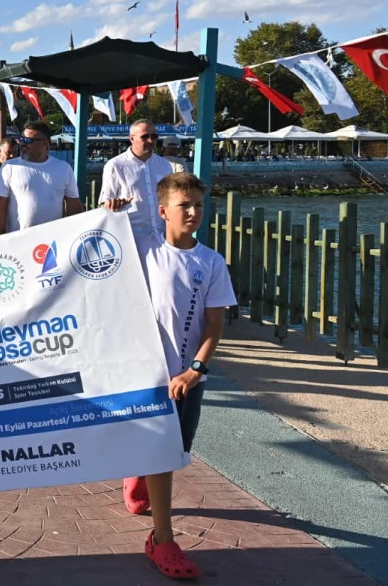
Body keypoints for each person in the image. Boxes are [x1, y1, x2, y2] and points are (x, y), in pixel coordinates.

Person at [122, 172, 235, 580]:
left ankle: (138, 475)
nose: (193, 213)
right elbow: (96, 256)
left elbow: (215, 324)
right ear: (163, 210)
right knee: (165, 455)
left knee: (176, 449)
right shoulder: (144, 251)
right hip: (147, 376)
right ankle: (162, 540)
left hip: (188, 379)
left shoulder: (211, 262)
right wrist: (107, 214)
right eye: (184, 205)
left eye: (199, 206)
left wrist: (195, 370)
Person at [0, 122, 84, 234]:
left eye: (28, 141)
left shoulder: (64, 168)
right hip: (18, 240)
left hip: (54, 242)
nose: (23, 144)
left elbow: (75, 209)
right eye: (22, 139)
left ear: (45, 144)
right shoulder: (9, 167)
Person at [99, 120, 175, 240]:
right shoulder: (115, 165)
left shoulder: (165, 165)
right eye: (145, 137)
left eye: (154, 136)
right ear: (132, 138)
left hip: (162, 236)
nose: (151, 140)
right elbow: (104, 203)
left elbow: (172, 199)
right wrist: (111, 204)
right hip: (131, 238)